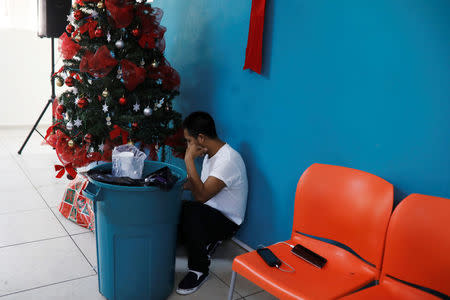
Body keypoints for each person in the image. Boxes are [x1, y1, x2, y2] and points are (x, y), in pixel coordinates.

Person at [176, 111, 248, 295]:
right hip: (208, 212)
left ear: (201, 138)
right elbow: (199, 185)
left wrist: (188, 159)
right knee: (180, 209)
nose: (188, 146)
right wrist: (174, 185)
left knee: (192, 211)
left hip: (227, 222)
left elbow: (201, 196)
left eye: (189, 141)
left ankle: (199, 269)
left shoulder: (228, 160)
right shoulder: (210, 156)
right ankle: (206, 241)